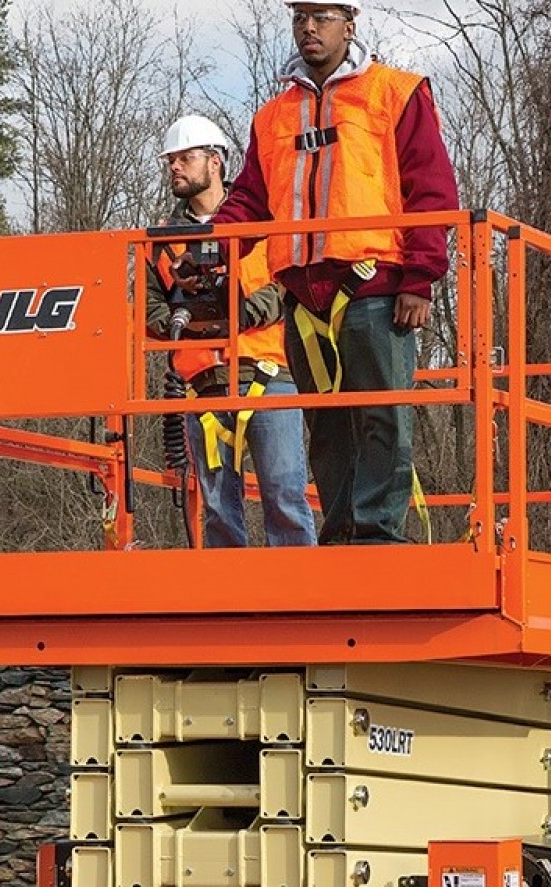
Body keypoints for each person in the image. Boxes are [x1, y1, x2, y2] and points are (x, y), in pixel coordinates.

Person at [209, 0, 460, 544]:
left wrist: (419, 278)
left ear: (349, 24)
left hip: (375, 285)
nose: (308, 28)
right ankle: (342, 533)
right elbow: (251, 199)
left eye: (320, 17)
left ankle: (376, 534)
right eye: (300, 17)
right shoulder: (273, 115)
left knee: (381, 416)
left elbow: (431, 189)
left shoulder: (395, 92)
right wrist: (211, 244)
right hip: (303, 296)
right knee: (325, 426)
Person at [146, 114, 317, 548]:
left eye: (186, 158)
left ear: (215, 162)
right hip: (202, 385)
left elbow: (289, 281)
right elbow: (148, 307)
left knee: (284, 494)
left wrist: (249, 310)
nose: (176, 167)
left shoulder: (261, 222)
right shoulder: (162, 240)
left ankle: (304, 602)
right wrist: (184, 324)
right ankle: (230, 605)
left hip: (268, 373)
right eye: (171, 161)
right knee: (219, 507)